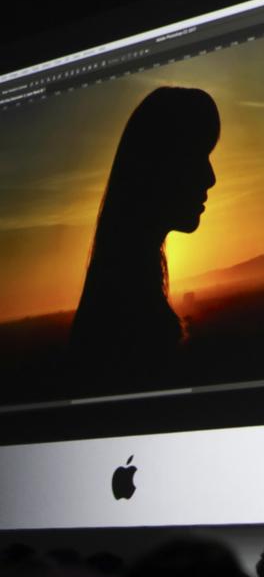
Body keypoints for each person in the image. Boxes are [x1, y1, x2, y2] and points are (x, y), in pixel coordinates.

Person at [70, 86, 219, 389]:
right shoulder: (129, 320)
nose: (210, 177)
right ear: (161, 165)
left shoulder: (115, 298)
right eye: (196, 155)